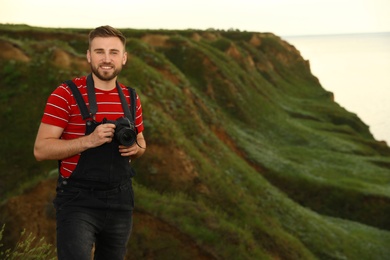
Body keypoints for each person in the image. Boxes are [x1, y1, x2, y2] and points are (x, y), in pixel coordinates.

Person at [33, 25, 146, 260]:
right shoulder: (65, 94)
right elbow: (41, 150)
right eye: (99, 51)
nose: (106, 59)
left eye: (114, 52)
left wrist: (137, 148)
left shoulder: (131, 97)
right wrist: (89, 140)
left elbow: (142, 142)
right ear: (88, 55)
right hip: (78, 201)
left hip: (121, 199)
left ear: (124, 58)